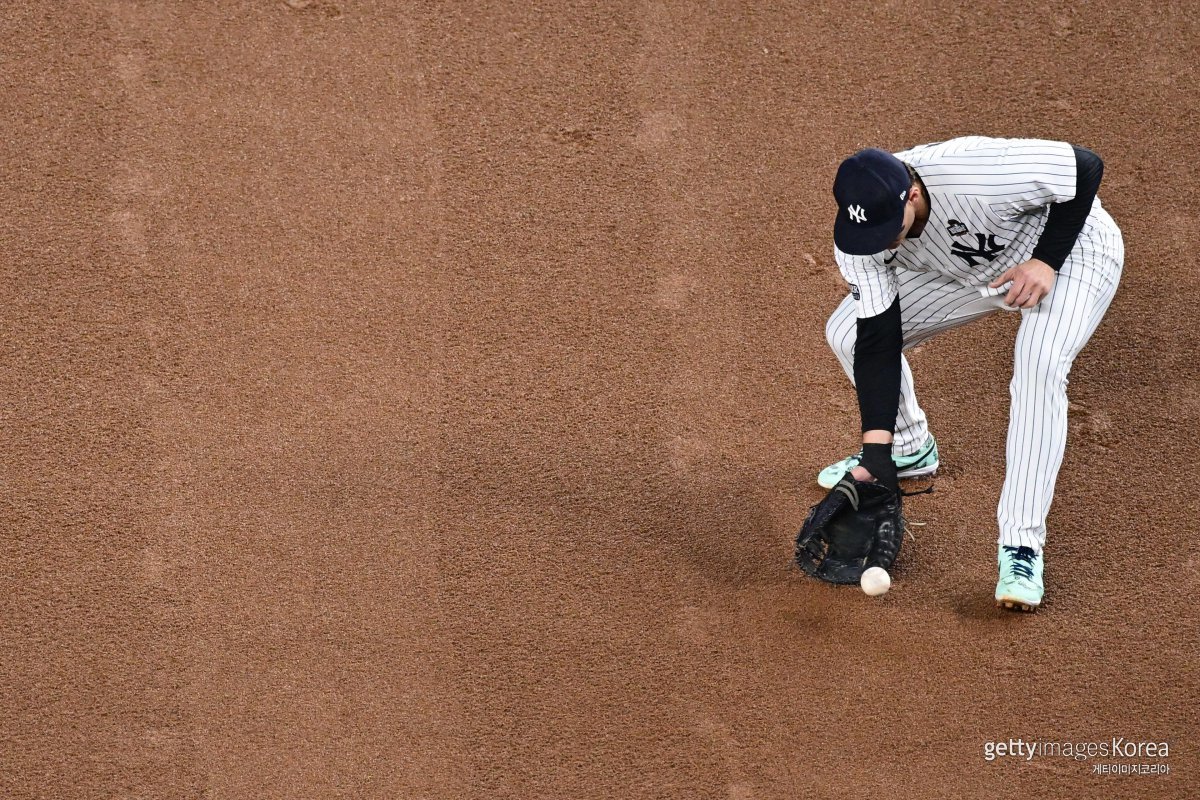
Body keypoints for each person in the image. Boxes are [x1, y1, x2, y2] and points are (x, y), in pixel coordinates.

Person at [822, 136, 1123, 611]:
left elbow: (1085, 166)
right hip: (967, 274)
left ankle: (1021, 545)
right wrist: (875, 449)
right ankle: (907, 450)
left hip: (1069, 255)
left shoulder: (977, 174)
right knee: (850, 333)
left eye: (886, 228)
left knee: (1039, 364)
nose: (876, 242)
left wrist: (1046, 261)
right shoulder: (861, 239)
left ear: (913, 196)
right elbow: (879, 339)